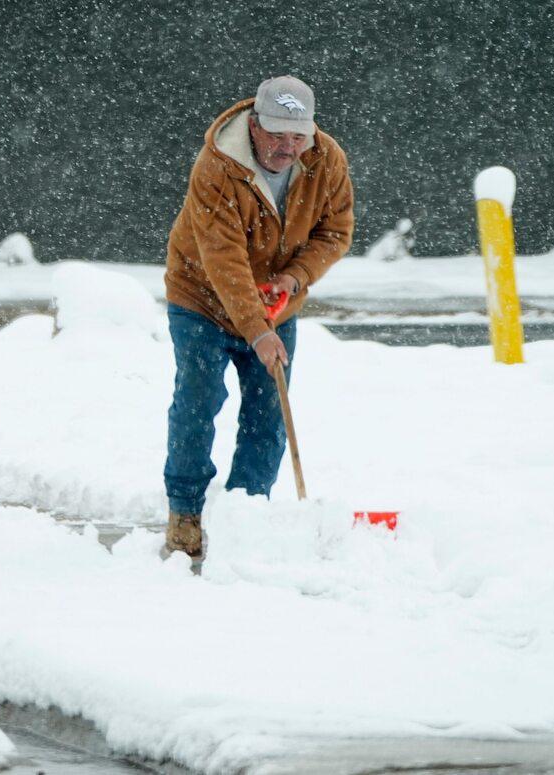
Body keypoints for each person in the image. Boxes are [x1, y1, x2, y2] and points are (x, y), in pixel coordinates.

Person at [162, 75, 355, 556]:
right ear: (254, 125)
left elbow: (336, 231)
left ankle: (247, 511)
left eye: (297, 136)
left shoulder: (326, 158)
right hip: (202, 299)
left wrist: (295, 276)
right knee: (198, 400)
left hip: (277, 300)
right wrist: (256, 331)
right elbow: (222, 259)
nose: (287, 147)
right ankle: (185, 510)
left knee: (268, 412)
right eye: (276, 135)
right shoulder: (217, 166)